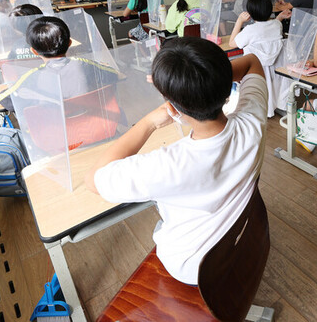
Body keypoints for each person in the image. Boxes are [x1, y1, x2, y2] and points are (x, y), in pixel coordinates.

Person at [84, 38, 268, 286]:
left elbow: (94, 179)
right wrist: (209, 81)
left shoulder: (167, 165)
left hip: (193, 269)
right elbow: (252, 63)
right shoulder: (253, 120)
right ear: (227, 87)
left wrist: (149, 121)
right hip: (241, 244)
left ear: (170, 102)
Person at [0, 16, 119, 112]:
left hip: (52, 138)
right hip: (93, 129)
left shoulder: (31, 77)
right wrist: (106, 67)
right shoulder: (85, 65)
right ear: (69, 43)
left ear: (34, 51)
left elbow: (1, 102)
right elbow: (115, 75)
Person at [229, 0, 289, 117]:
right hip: (275, 74)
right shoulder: (277, 25)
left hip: (257, 74)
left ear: (250, 12)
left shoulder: (249, 31)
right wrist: (280, 17)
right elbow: (271, 26)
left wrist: (239, 21)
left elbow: (232, 43)